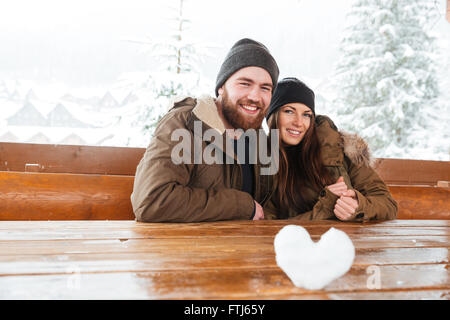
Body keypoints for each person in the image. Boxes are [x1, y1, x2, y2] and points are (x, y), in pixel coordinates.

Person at [131, 38, 279, 222]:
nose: (255, 96)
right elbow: (152, 201)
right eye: (245, 84)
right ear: (221, 87)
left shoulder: (259, 139)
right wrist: (241, 205)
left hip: (242, 246)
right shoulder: (186, 123)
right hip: (184, 248)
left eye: (265, 88)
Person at [263, 77, 398, 221]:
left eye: (306, 114)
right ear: (273, 116)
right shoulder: (262, 161)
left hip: (348, 241)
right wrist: (326, 206)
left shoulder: (337, 148)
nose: (298, 122)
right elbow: (268, 228)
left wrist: (358, 206)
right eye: (289, 111)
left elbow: (388, 205)